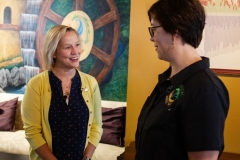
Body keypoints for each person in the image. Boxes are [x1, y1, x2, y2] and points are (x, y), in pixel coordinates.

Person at [135, 0, 229, 160]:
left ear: (175, 32)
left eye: (154, 29)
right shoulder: (168, 81)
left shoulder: (205, 91)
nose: (152, 38)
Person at [22, 25, 102, 160]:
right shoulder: (36, 85)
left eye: (77, 45)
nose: (76, 51)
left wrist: (87, 157)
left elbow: (96, 126)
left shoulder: (91, 83)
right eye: (68, 47)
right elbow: (32, 132)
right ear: (53, 52)